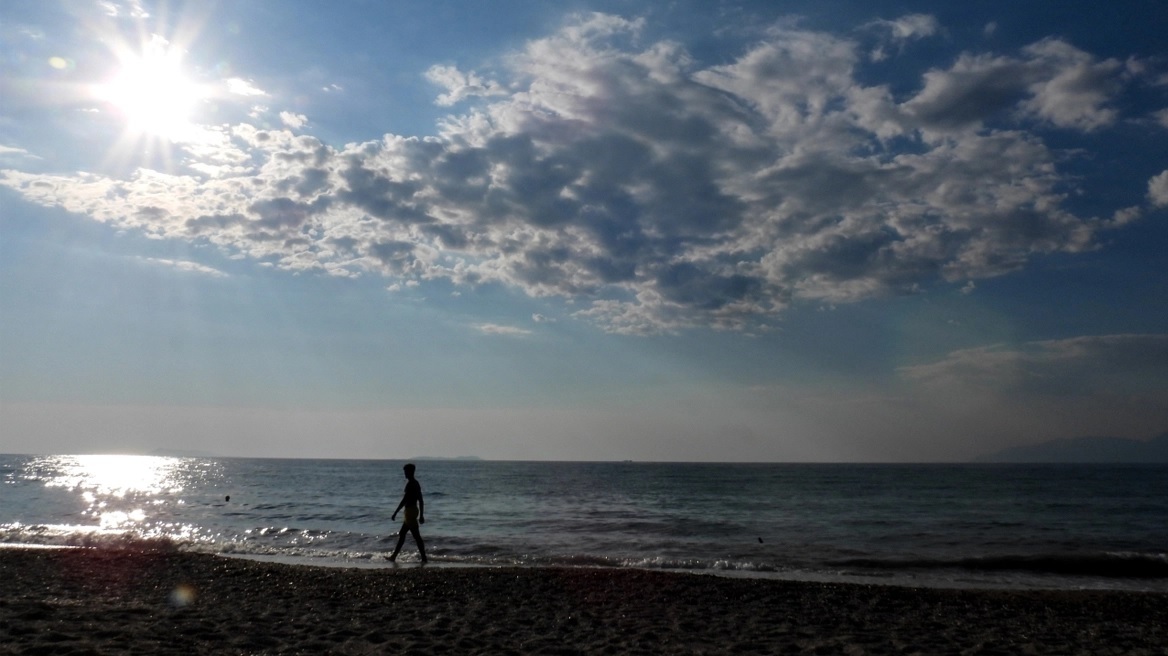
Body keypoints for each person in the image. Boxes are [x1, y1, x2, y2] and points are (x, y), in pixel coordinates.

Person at [387, 463, 428, 563]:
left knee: (416, 536)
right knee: (403, 534)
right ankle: (393, 556)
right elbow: (421, 500)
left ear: (410, 472)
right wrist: (421, 514)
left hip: (410, 512)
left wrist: (395, 512)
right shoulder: (416, 483)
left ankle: (424, 558)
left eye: (406, 472)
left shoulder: (411, 484)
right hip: (412, 511)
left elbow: (404, 500)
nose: (405, 474)